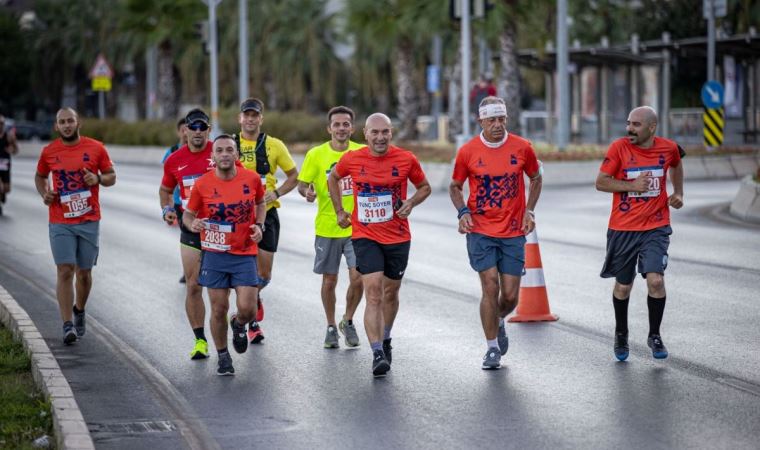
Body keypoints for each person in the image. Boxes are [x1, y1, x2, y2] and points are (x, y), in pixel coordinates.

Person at [328, 113, 431, 377]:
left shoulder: (406, 159)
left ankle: (385, 338)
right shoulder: (353, 158)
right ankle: (376, 353)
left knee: (390, 294)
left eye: (385, 132)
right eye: (375, 132)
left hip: (398, 236)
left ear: (391, 132)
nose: (380, 137)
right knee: (372, 292)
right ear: (365, 134)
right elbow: (333, 178)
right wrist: (340, 211)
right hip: (365, 235)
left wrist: (410, 203)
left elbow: (424, 187)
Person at [449, 96, 543, 370]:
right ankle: (491, 348)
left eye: (501, 119)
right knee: (490, 285)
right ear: (481, 121)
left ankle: (498, 318)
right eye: (492, 120)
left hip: (513, 230)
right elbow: (455, 186)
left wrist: (530, 210)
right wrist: (463, 212)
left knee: (510, 296)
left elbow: (536, 177)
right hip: (480, 229)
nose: (498, 125)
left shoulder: (522, 147)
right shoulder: (468, 151)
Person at [595, 106, 684, 361]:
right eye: (628, 123)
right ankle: (621, 333)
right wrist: (632, 186)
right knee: (623, 286)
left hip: (655, 227)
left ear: (651, 127)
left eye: (635, 124)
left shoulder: (668, 148)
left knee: (656, 280)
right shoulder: (619, 148)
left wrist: (678, 192)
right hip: (623, 228)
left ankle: (654, 335)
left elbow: (677, 163)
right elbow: (601, 182)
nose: (629, 129)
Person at [183, 135, 266, 375]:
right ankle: (223, 356)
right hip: (215, 254)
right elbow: (188, 214)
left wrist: (259, 226)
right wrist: (193, 224)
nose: (225, 154)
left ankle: (238, 323)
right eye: (220, 150)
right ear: (213, 156)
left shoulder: (251, 179)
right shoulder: (202, 184)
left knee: (248, 308)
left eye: (230, 150)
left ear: (237, 155)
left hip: (244, 252)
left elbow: (261, 203)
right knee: (218, 308)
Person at [33, 108, 116, 344]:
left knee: (85, 273)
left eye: (70, 121)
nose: (67, 125)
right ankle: (67, 323)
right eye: (62, 122)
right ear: (56, 127)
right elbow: (40, 176)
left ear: (79, 123)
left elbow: (111, 176)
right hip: (60, 219)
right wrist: (45, 193)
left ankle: (79, 309)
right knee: (65, 270)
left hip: (89, 219)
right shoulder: (49, 151)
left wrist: (98, 178)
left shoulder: (96, 148)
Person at [297, 106, 364, 349]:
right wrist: (308, 192)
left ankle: (348, 319)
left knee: (358, 279)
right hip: (327, 226)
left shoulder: (362, 152)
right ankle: (330, 326)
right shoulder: (316, 155)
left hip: (358, 227)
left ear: (352, 128)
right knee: (329, 280)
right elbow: (302, 185)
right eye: (336, 124)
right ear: (329, 128)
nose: (341, 128)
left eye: (346, 124)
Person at [236, 98, 298, 344]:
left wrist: (278, 192)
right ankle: (251, 322)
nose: (250, 119)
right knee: (241, 271)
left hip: (268, 214)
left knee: (264, 274)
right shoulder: (230, 144)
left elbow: (294, 176)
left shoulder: (274, 145)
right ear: (240, 118)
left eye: (255, 115)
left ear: (261, 119)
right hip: (237, 215)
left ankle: (252, 298)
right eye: (246, 115)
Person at [160, 109, 214, 360]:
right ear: (185, 130)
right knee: (193, 285)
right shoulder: (174, 159)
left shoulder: (221, 152)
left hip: (220, 229)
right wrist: (167, 209)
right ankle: (200, 340)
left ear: (209, 130)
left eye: (203, 127)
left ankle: (237, 323)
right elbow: (165, 189)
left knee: (221, 291)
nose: (198, 132)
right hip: (190, 227)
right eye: (193, 127)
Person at [162, 118, 188, 284]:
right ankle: (188, 270)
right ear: (178, 132)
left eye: (189, 129)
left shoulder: (205, 152)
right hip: (180, 203)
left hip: (201, 204)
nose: (186, 133)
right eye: (183, 129)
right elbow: (166, 184)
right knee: (186, 238)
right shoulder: (171, 152)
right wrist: (169, 207)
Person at [0, 114, 19, 216]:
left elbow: (16, 150)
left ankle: (3, 194)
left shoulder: (9, 136)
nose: (0, 125)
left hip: (5, 165)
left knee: (6, 188)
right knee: (0, 187)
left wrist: (12, 150)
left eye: (2, 123)